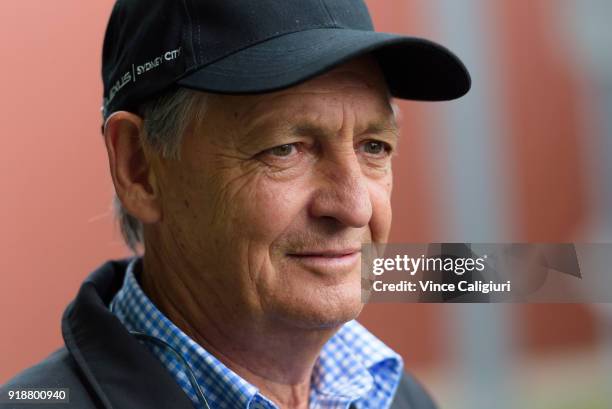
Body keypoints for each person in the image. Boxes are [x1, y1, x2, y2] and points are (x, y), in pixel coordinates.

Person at [1, 0, 470, 408]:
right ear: (139, 168)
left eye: (374, 147)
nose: (355, 209)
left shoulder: (398, 398)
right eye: (286, 148)